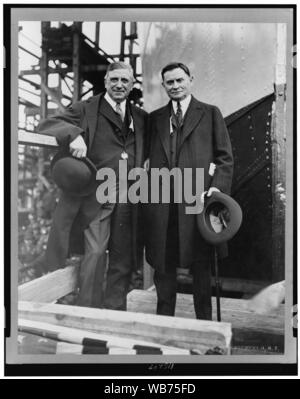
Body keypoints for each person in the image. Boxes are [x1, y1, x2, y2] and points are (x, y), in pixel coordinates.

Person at [38, 62, 148, 310]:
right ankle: (88, 309)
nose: (119, 85)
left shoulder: (140, 117)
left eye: (125, 81)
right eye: (115, 80)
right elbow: (46, 124)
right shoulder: (86, 108)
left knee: (123, 258)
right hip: (99, 194)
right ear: (107, 81)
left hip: (129, 194)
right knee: (96, 253)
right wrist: (73, 134)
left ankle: (113, 310)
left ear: (132, 85)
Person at [144, 62, 233, 320]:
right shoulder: (155, 119)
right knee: (163, 266)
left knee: (202, 267)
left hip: (198, 203)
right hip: (163, 206)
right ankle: (164, 324)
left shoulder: (210, 113)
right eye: (169, 82)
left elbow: (225, 158)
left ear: (190, 80)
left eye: (179, 80)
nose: (175, 86)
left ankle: (204, 324)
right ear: (163, 86)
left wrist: (215, 190)